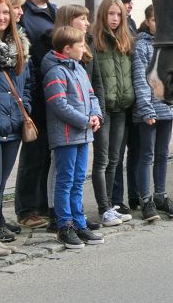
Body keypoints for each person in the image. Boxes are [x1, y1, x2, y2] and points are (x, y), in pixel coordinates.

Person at [41, 26, 104, 248]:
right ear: (67, 49)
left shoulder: (79, 69)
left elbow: (91, 95)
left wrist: (95, 115)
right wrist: (85, 120)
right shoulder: (55, 72)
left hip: (83, 135)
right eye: (81, 45)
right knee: (65, 181)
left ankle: (79, 222)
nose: (84, 49)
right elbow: (59, 105)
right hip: (66, 137)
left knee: (78, 181)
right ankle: (64, 226)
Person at [131, 6, 173, 221]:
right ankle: (146, 200)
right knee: (147, 155)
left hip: (167, 109)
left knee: (163, 155)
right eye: (154, 19)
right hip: (149, 110)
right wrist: (146, 109)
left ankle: (161, 196)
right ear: (147, 21)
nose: (158, 24)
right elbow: (140, 79)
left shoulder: (170, 45)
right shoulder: (142, 46)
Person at [15, 0, 57, 229]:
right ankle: (26, 209)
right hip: (35, 94)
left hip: (56, 93)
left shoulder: (55, 11)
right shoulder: (23, 15)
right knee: (33, 154)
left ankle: (44, 204)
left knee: (48, 154)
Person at [92, 0, 135, 218]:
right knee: (102, 160)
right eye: (111, 14)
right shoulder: (94, 41)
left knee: (115, 159)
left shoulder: (126, 40)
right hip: (103, 109)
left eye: (119, 14)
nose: (115, 18)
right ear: (103, 15)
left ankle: (109, 206)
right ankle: (103, 208)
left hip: (121, 108)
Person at [0, 0, 32, 251]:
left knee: (2, 182)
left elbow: (27, 84)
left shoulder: (19, 46)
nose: (1, 17)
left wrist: (25, 109)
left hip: (14, 125)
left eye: (5, 12)